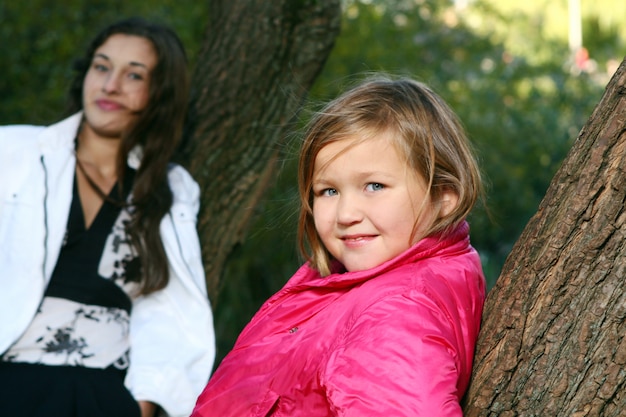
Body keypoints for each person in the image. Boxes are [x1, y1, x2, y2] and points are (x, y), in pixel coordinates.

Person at [191, 75, 486, 416]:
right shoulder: (365, 288)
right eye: (328, 191)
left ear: (444, 197)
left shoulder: (397, 312)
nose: (346, 214)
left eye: (374, 186)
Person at [0, 17, 215, 417]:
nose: (110, 85)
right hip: (10, 380)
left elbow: (168, 309)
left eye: (133, 75)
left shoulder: (172, 188)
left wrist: (142, 405)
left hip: (104, 396)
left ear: (159, 93)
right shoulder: (12, 152)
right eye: (102, 66)